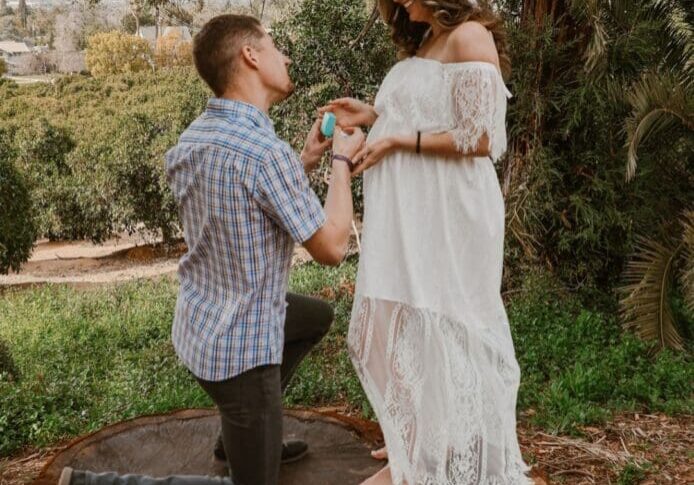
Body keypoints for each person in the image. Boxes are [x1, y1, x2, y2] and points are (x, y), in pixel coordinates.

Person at [58, 13, 364, 485]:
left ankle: (238, 436)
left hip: (202, 331)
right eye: (274, 45)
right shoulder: (264, 153)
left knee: (313, 316)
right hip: (243, 356)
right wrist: (341, 161)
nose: (285, 56)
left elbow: (250, 205)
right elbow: (331, 247)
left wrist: (304, 160)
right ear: (250, 55)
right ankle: (96, 481)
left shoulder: (196, 137)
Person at [319, 0, 532, 483]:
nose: (399, 6)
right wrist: (374, 115)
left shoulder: (470, 36)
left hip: (451, 210)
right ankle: (417, 438)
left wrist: (396, 141)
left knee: (451, 321)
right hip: (409, 211)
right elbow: (429, 114)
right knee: (402, 321)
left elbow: (480, 136)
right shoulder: (427, 40)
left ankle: (452, 459)